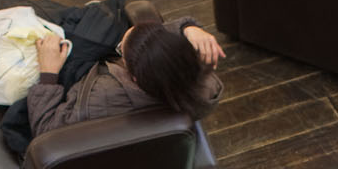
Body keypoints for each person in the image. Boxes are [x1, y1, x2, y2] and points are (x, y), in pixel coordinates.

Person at [27, 16, 225, 137]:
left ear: (135, 78)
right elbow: (161, 46)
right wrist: (188, 27)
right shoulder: (203, 85)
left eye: (121, 49)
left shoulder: (100, 97)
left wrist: (48, 73)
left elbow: (46, 131)